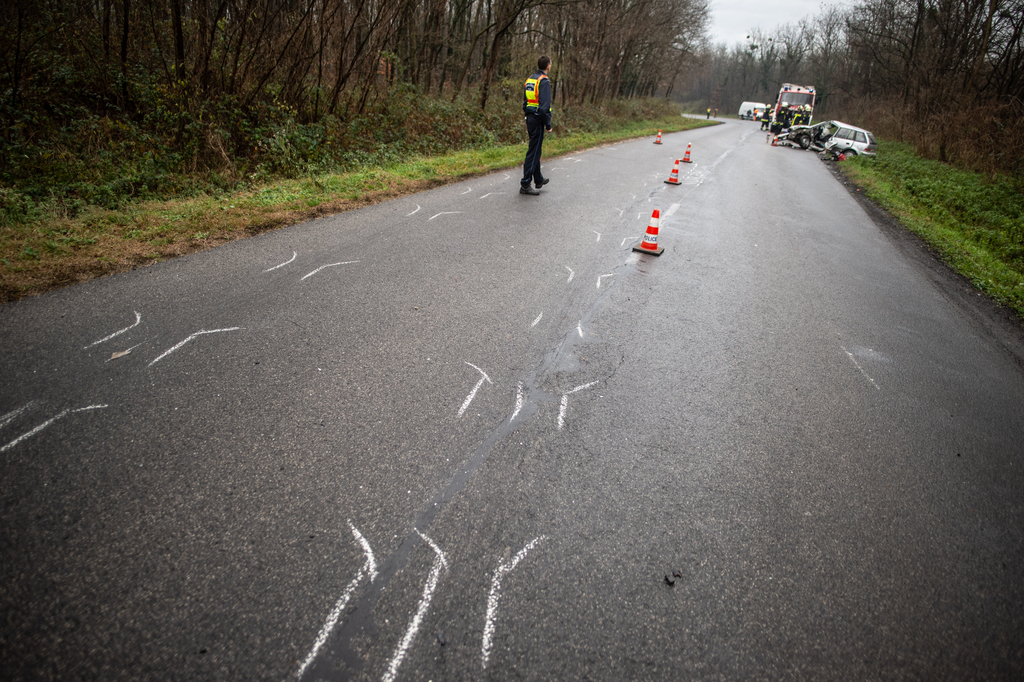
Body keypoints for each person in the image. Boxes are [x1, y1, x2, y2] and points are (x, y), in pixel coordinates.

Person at [521, 55, 552, 195]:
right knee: (533, 152)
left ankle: (538, 179)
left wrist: (527, 114)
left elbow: (525, 101)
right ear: (548, 66)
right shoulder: (544, 81)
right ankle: (525, 183)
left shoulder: (530, 79)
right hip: (538, 119)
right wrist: (548, 124)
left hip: (530, 117)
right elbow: (545, 107)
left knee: (535, 149)